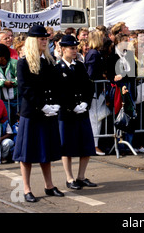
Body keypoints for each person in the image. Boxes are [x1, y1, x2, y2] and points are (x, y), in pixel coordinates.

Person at [13, 25, 64, 203]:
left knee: (46, 152)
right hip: (33, 112)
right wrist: (42, 105)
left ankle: (49, 185)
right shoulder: (23, 62)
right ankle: (26, 189)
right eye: (42, 39)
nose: (45, 41)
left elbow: (57, 85)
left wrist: (55, 104)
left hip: (47, 112)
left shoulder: (49, 61)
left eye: (46, 39)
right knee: (27, 154)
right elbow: (25, 88)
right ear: (34, 41)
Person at [55, 34, 97, 190]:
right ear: (63, 49)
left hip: (82, 111)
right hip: (67, 113)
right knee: (67, 146)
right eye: (72, 48)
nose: (74, 51)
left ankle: (81, 176)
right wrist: (72, 105)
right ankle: (69, 178)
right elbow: (59, 91)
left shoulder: (79, 66)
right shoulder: (58, 68)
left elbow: (88, 86)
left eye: (75, 48)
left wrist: (86, 102)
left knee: (85, 144)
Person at [84, 30, 108, 156]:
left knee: (96, 117)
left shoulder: (93, 53)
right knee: (95, 118)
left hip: (95, 90)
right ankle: (94, 144)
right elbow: (90, 74)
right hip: (94, 90)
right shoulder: (94, 54)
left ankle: (95, 144)